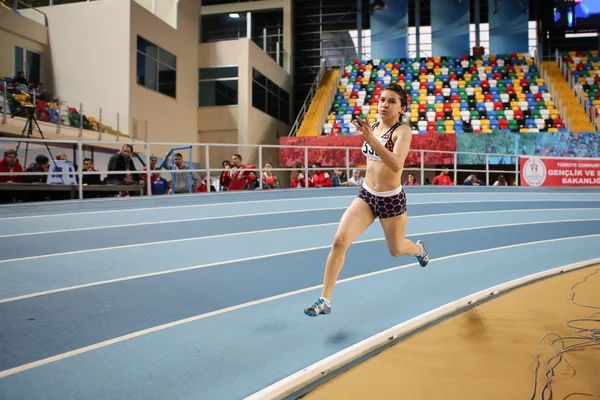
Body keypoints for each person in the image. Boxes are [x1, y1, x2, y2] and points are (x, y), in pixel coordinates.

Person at [304, 83, 430, 317]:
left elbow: (396, 165)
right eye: (383, 99)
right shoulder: (372, 126)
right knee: (340, 241)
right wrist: (370, 137)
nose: (385, 104)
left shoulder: (402, 131)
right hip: (366, 195)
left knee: (396, 250)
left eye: (392, 101)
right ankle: (325, 299)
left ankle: (419, 250)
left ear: (402, 107)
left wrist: (372, 140)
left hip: (391, 200)